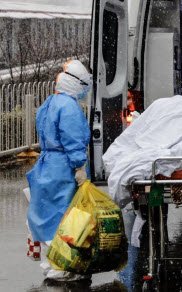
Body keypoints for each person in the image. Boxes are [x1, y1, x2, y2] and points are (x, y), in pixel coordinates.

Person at [26, 59, 92, 281]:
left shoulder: (49, 103)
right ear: (77, 84)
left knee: (46, 217)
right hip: (63, 168)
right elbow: (73, 139)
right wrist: (79, 166)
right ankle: (64, 265)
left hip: (47, 165)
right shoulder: (70, 107)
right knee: (67, 219)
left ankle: (51, 265)